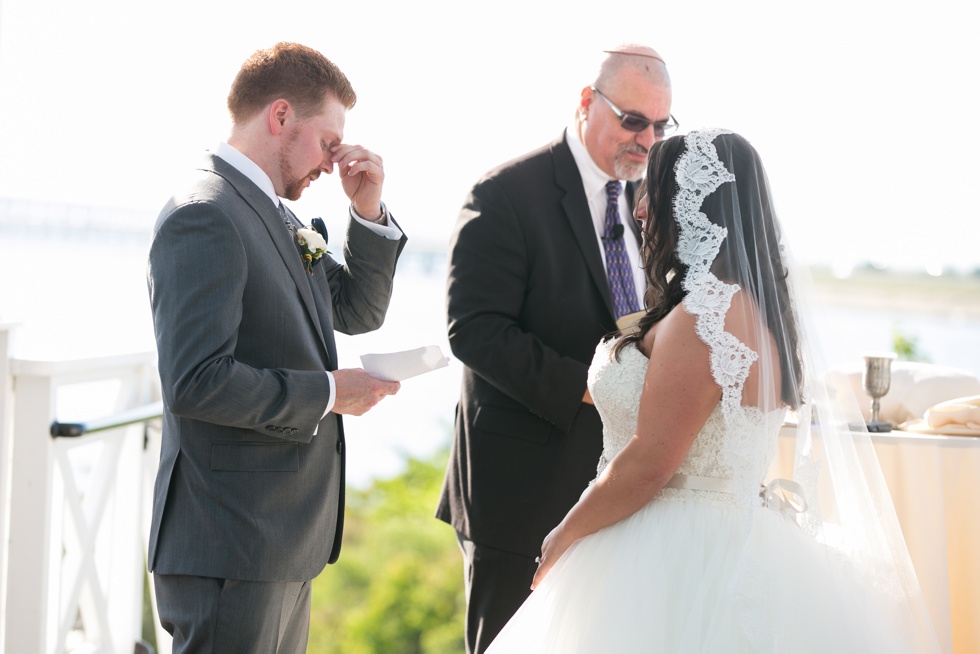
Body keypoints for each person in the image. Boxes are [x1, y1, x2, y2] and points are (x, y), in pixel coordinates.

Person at [484, 130, 941, 652]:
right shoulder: (760, 309)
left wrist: (564, 536)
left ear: (692, 203)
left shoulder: (709, 313)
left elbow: (652, 459)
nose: (640, 209)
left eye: (652, 191)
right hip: (736, 535)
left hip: (676, 548)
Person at [146, 42, 406, 653]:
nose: (333, 160)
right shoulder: (205, 214)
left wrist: (365, 210)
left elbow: (357, 312)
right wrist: (327, 393)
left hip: (280, 541)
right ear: (281, 116)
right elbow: (195, 381)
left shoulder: (275, 214)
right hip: (230, 541)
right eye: (329, 141)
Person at [436, 44, 676, 653]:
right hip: (521, 493)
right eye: (633, 120)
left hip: (617, 489)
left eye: (660, 125)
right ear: (586, 104)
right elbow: (474, 329)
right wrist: (590, 386)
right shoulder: (504, 195)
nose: (647, 140)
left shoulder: (652, 201)